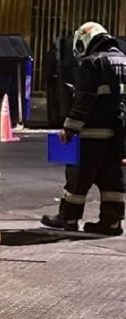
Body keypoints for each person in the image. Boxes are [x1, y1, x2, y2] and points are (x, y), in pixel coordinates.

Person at [41, 21, 126, 236]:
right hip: (117, 137)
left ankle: (68, 218)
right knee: (111, 179)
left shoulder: (91, 63)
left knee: (77, 178)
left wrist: (69, 128)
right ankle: (111, 222)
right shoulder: (124, 61)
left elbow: (84, 99)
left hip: (91, 134)